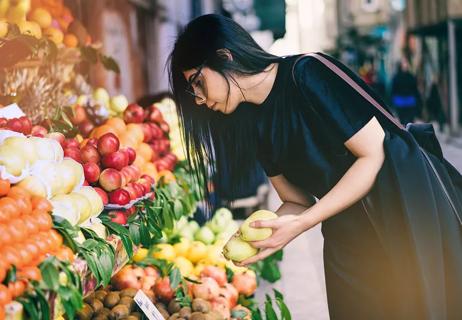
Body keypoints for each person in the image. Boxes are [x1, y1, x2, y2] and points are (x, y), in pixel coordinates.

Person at [168, 14, 462, 319]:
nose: (199, 100)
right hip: (346, 241)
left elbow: (373, 155)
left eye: (197, 83)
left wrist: (302, 223)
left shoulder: (307, 72)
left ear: (224, 56)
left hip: (402, 217)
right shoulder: (255, 123)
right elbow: (297, 200)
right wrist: (262, 236)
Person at [390, 59, 422, 125]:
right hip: (401, 102)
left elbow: (414, 89)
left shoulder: (410, 77)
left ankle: (408, 132)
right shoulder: (397, 77)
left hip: (409, 101)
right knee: (403, 120)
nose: (405, 66)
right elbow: (394, 90)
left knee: (409, 121)